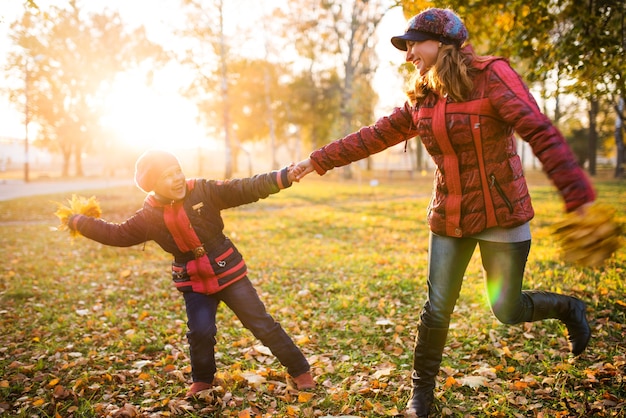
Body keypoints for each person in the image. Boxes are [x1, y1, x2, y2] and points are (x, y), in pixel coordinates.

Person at [294, 7, 594, 418]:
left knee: (506, 309)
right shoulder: (424, 93)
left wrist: (577, 195)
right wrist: (318, 160)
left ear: (443, 42)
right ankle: (421, 395)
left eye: (414, 43)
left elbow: (538, 129)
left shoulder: (493, 76)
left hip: (502, 212)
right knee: (436, 307)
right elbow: (376, 135)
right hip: (450, 214)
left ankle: (568, 308)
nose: (408, 54)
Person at [65, 149, 315, 398]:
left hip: (229, 272)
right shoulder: (149, 216)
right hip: (194, 282)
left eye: (177, 171)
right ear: (152, 185)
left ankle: (300, 370)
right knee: (200, 332)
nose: (176, 179)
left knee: (261, 324)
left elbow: (243, 187)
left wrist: (283, 177)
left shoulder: (203, 190)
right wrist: (80, 222)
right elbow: (117, 234)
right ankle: (203, 380)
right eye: (167, 176)